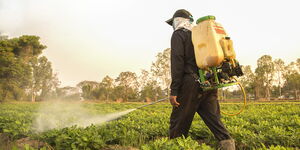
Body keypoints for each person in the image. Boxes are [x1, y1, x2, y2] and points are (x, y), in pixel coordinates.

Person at [166, 9, 235, 150]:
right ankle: (228, 144)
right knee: (213, 118)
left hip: (190, 84)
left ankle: (174, 147)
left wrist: (174, 91)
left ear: (178, 21)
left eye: (173, 22)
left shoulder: (179, 35)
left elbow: (177, 63)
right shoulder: (200, 36)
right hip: (209, 82)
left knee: (178, 120)